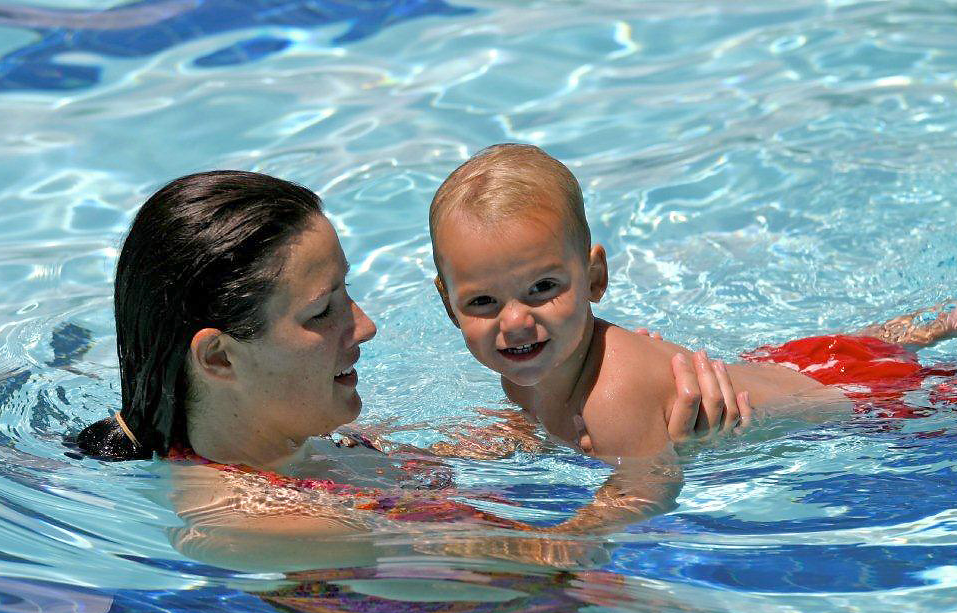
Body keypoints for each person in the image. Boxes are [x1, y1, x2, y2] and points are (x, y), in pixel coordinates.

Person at [75, 170, 742, 570]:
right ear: (219, 357)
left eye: (350, 294)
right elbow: (550, 562)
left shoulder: (287, 449)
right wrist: (661, 457)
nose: (364, 326)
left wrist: (607, 385)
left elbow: (453, 465)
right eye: (323, 312)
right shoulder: (264, 523)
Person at [429, 143, 957, 467]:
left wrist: (559, 542)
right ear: (449, 306)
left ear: (595, 278)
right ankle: (941, 323)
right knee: (845, 353)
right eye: (483, 301)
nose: (516, 320)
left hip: (870, 401)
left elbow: (644, 498)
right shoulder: (526, 368)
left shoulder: (612, 398)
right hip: (798, 359)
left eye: (544, 288)